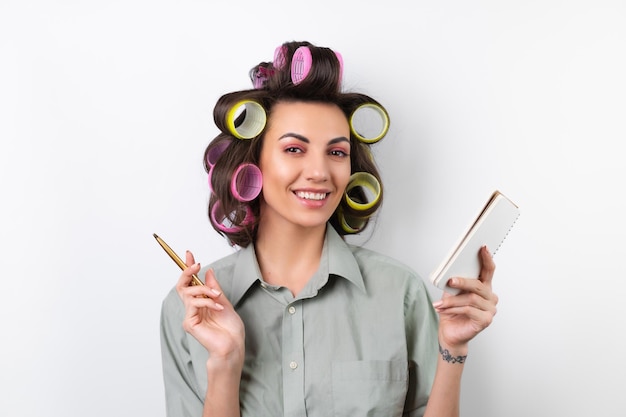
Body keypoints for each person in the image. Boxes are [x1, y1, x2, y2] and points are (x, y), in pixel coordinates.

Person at [160, 40, 499, 417]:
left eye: (337, 152)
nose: (320, 172)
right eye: (294, 149)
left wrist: (453, 349)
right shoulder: (190, 310)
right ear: (252, 163)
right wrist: (224, 362)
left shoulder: (401, 293)